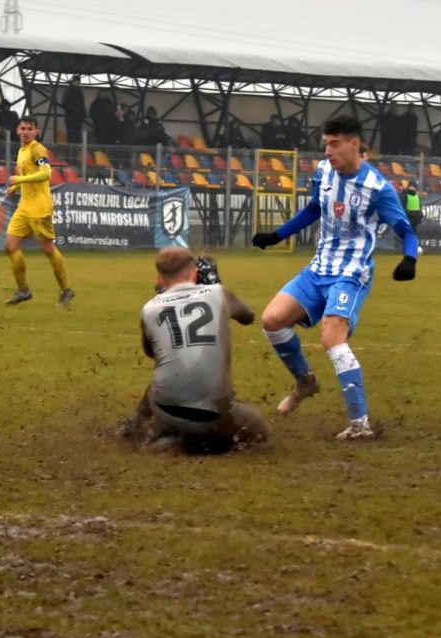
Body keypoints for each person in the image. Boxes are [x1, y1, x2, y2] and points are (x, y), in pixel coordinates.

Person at [252, 113, 419, 440]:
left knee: (332, 336)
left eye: (334, 144)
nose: (327, 150)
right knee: (272, 320)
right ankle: (306, 382)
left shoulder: (379, 188)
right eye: (326, 143)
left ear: (355, 144)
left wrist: (409, 258)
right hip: (318, 268)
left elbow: (405, 229)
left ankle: (361, 424)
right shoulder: (323, 171)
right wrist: (277, 235)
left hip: (352, 272)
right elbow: (314, 208)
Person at [128, 249, 270, 452]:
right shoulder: (218, 292)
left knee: (160, 380)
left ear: (159, 279)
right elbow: (248, 316)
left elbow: (152, 354)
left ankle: (150, 430)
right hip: (218, 409)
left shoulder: (149, 309)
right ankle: (194, 440)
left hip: (166, 406)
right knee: (259, 430)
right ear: (194, 273)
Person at [2, 115, 74, 307]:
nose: (26, 132)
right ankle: (23, 290)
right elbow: (27, 173)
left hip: (40, 207)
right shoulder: (22, 150)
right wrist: (16, 188)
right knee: (10, 245)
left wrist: (19, 181)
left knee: (48, 248)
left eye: (29, 129)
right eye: (23, 128)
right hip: (25, 206)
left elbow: (46, 173)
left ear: (36, 131)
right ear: (18, 130)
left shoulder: (37, 149)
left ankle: (66, 290)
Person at [62, 76, 85, 144]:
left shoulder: (79, 91)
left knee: (76, 135)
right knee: (72, 135)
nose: (78, 82)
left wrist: (82, 112)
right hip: (71, 117)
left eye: (79, 81)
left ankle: (75, 151)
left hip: (77, 116)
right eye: (77, 81)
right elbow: (64, 103)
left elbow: (81, 103)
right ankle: (71, 152)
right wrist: (73, 110)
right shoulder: (69, 91)